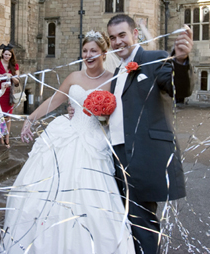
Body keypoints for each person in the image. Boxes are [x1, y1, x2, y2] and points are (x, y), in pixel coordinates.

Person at [9, 30, 135, 253]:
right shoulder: (74, 78)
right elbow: (54, 100)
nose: (88, 55)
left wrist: (104, 117)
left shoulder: (113, 79)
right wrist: (30, 118)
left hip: (95, 141)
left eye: (93, 51)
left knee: (91, 195)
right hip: (66, 135)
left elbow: (120, 114)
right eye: (85, 51)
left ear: (104, 53)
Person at [105, 14, 192, 254]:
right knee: (126, 218)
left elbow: (179, 89)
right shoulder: (116, 72)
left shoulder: (156, 58)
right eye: (112, 38)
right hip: (117, 153)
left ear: (135, 34)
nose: (117, 42)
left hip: (145, 154)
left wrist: (181, 61)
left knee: (142, 221)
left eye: (122, 35)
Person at [0, 44, 20, 146]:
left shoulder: (14, 66)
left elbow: (17, 81)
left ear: (11, 56)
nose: (7, 56)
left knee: (8, 117)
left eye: (9, 55)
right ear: (2, 54)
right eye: (5, 54)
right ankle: (0, 137)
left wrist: (11, 76)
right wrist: (2, 75)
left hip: (9, 94)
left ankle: (7, 137)